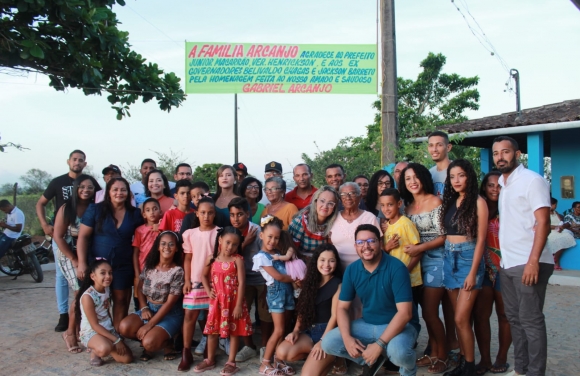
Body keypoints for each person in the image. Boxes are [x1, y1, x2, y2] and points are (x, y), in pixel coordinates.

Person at [321, 224, 419, 376]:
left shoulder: (397, 268)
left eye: (371, 241)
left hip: (400, 325)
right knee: (329, 342)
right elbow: (341, 308)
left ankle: (408, 369)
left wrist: (379, 344)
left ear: (380, 243)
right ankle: (371, 359)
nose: (366, 246)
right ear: (355, 246)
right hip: (368, 324)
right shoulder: (352, 270)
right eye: (360, 242)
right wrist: (347, 339)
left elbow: (405, 313)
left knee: (399, 353)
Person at [493, 136, 553, 376]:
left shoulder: (532, 181)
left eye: (505, 152)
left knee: (531, 321)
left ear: (517, 154)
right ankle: (521, 370)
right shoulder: (503, 183)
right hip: (508, 264)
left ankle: (535, 373)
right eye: (496, 153)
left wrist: (533, 262)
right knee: (514, 321)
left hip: (529, 262)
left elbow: (544, 222)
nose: (500, 157)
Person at [36, 149, 97, 332]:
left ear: (85, 163)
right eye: (75, 159)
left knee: (85, 286)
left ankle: (84, 324)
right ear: (68, 161)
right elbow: (41, 203)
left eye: (81, 160)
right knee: (68, 281)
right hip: (65, 245)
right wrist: (46, 225)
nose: (77, 162)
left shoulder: (93, 205)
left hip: (86, 247)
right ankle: (67, 320)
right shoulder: (59, 186)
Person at [399, 163, 449, 373]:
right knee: (424, 313)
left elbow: (444, 236)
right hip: (415, 263)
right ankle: (434, 353)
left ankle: (443, 356)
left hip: (436, 260)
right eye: (408, 178)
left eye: (416, 177)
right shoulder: (407, 207)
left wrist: (422, 247)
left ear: (424, 178)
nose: (412, 181)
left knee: (429, 312)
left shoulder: (436, 201)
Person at [440, 159, 487, 376]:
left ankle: (469, 366)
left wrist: (473, 273)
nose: (456, 180)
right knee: (459, 319)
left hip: (469, 259)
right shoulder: (450, 201)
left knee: (460, 317)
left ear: (469, 176)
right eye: (452, 176)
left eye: (461, 175)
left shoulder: (478, 202)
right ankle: (463, 363)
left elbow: (481, 241)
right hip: (449, 258)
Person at [77, 177, 144, 330]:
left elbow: (142, 236)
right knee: (95, 299)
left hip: (123, 264)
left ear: (128, 193)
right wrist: (81, 262)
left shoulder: (134, 214)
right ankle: (90, 333)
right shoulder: (95, 209)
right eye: (115, 189)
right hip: (97, 264)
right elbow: (83, 237)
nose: (119, 193)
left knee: (121, 299)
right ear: (108, 192)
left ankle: (116, 334)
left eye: (123, 190)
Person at [275, 244, 345, 376]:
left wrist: (323, 342)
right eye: (322, 260)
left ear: (336, 263)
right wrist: (296, 330)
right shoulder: (311, 281)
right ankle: (320, 358)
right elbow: (303, 309)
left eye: (331, 260)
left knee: (307, 375)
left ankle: (334, 356)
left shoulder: (338, 285)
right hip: (310, 331)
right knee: (282, 352)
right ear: (316, 261)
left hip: (328, 334)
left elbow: (335, 317)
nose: (327, 264)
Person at [194, 227, 253, 374]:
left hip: (233, 303)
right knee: (212, 331)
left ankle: (231, 362)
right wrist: (208, 291)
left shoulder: (237, 260)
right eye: (227, 242)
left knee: (234, 332)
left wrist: (239, 305)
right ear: (220, 240)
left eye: (234, 244)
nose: (230, 247)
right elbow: (203, 276)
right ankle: (209, 360)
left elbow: (242, 283)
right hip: (217, 303)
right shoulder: (212, 258)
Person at [119, 231, 185, 361]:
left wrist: (148, 325)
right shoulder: (150, 266)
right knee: (124, 327)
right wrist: (144, 308)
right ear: (158, 247)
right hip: (149, 309)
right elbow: (140, 287)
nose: (167, 247)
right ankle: (154, 339)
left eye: (171, 244)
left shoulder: (178, 271)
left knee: (149, 343)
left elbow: (170, 303)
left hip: (169, 313)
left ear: (177, 248)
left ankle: (167, 343)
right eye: (163, 244)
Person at [52, 174, 99, 353]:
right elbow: (57, 236)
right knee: (80, 293)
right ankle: (70, 332)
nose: (86, 190)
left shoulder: (94, 208)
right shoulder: (67, 209)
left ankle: (83, 331)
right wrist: (74, 260)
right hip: (69, 254)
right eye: (82, 187)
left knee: (90, 293)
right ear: (75, 189)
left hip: (89, 254)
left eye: (90, 187)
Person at [473, 171, 512, 375]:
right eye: (490, 185)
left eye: (499, 185)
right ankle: (485, 359)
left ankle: (501, 357)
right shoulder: (478, 208)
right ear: (484, 187)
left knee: (505, 315)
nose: (495, 189)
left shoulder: (511, 209)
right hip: (483, 269)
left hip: (506, 268)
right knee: (481, 316)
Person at [228, 197, 273, 363]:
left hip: (262, 278)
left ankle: (265, 346)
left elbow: (269, 253)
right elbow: (226, 256)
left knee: (265, 313)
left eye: (239, 214)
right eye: (232, 215)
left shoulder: (257, 231)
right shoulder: (229, 232)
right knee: (241, 312)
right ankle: (248, 346)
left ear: (248, 214)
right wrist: (243, 244)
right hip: (241, 280)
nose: (236, 218)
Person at [178, 197, 220, 371]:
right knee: (190, 316)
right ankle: (186, 351)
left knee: (212, 318)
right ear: (196, 213)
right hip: (195, 280)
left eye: (210, 212)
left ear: (214, 214)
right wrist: (187, 280)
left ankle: (209, 352)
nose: (206, 216)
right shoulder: (190, 234)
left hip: (214, 282)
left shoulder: (220, 232)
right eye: (202, 212)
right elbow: (187, 258)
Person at [253, 216, 297, 376]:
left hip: (287, 294)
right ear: (261, 235)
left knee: (284, 328)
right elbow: (278, 276)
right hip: (276, 295)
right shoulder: (261, 257)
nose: (273, 240)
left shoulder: (279, 253)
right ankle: (265, 363)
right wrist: (296, 278)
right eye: (270, 237)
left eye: (276, 238)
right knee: (278, 330)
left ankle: (279, 359)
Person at [76, 259, 133, 367]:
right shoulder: (88, 297)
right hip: (91, 331)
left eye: (110, 273)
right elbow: (94, 325)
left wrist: (114, 333)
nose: (108, 276)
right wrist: (116, 340)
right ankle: (95, 351)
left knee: (127, 358)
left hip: (106, 328)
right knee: (104, 349)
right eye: (103, 273)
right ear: (93, 276)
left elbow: (106, 311)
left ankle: (106, 343)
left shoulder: (106, 289)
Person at [380, 189, 422, 304]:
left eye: (390, 205)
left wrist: (405, 271)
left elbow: (418, 251)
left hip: (410, 279)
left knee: (410, 313)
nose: (386, 209)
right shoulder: (386, 226)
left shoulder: (406, 224)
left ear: (399, 204)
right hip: (394, 278)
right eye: (382, 205)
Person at [330, 182, 381, 272]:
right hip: (336, 271)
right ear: (340, 198)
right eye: (343, 194)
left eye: (352, 193)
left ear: (360, 196)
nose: (348, 197)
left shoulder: (369, 217)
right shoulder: (333, 217)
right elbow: (329, 244)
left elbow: (380, 245)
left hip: (365, 270)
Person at [288, 186, 339, 258]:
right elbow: (290, 250)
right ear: (315, 202)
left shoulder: (334, 223)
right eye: (322, 201)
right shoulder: (300, 222)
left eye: (330, 203)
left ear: (334, 208)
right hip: (300, 262)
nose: (325, 206)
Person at [132, 198, 162, 299]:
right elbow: (135, 253)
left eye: (155, 209)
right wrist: (137, 273)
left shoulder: (164, 228)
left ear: (160, 211)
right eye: (148, 210)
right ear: (144, 214)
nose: (152, 212)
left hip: (159, 270)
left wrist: (161, 229)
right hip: (142, 269)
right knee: (140, 296)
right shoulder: (139, 230)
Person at [548, 197, 576, 270]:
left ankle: (555, 258)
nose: (556, 206)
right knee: (557, 239)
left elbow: (561, 222)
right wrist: (556, 227)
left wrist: (561, 227)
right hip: (549, 231)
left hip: (559, 230)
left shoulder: (556, 213)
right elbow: (545, 225)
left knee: (568, 236)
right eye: (555, 205)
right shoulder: (544, 214)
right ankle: (556, 262)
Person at [428, 131, 453, 199]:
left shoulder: (458, 171)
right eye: (431, 145)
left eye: (439, 145)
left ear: (448, 147)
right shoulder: (429, 173)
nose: (434, 149)